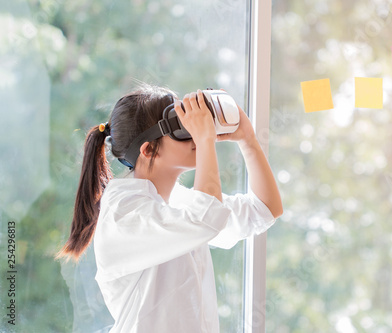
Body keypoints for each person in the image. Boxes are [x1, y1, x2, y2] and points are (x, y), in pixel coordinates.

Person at [56, 84, 283, 332]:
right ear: (149, 149)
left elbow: (265, 208)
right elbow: (205, 218)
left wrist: (247, 138)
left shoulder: (175, 203)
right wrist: (205, 139)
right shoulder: (124, 213)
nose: (194, 132)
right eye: (181, 126)